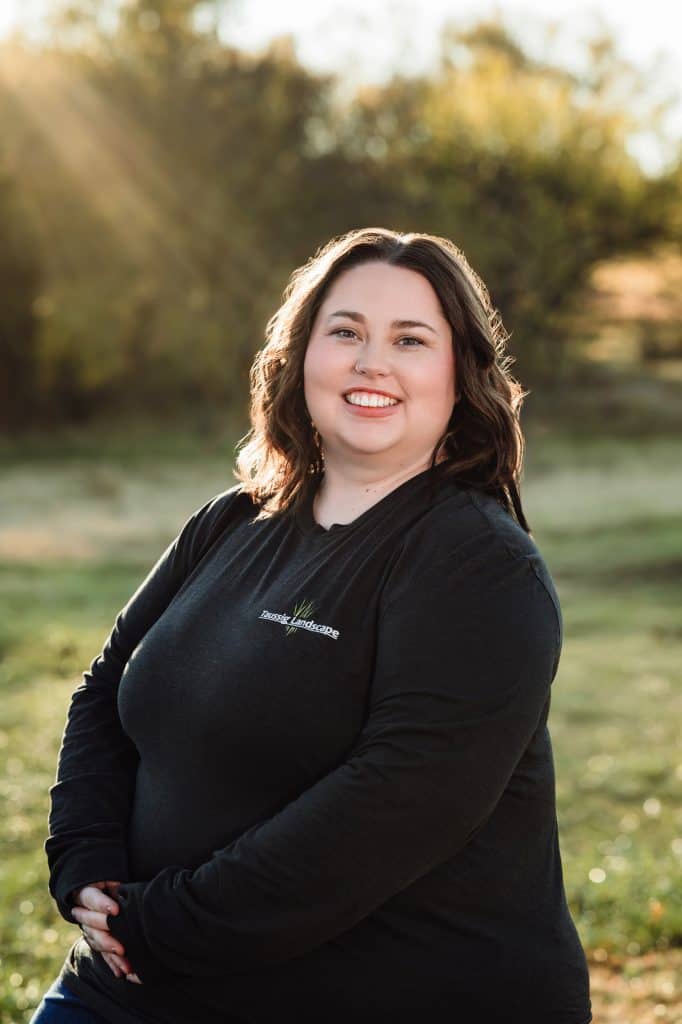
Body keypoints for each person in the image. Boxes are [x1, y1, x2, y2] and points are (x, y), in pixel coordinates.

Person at [33, 227, 593, 1024]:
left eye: (410, 339)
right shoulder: (231, 522)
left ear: (460, 375)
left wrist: (158, 924)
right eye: (345, 332)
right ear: (301, 356)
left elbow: (394, 806)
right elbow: (105, 692)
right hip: (132, 983)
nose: (373, 362)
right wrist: (85, 863)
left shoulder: (482, 568)